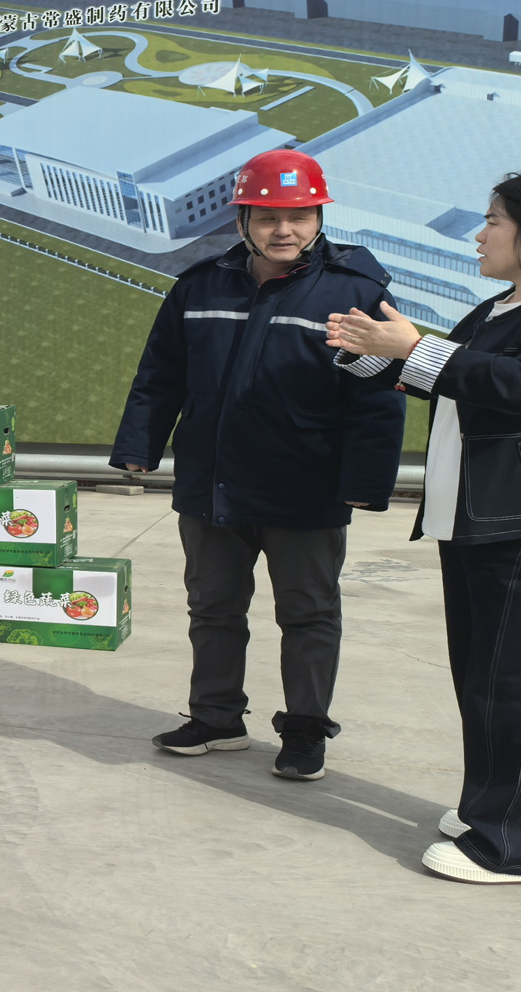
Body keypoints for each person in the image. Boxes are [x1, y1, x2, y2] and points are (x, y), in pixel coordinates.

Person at [328, 169, 521, 885]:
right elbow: (449, 375)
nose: (479, 233)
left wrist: (413, 349)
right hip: (484, 522)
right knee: (492, 680)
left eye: (494, 220)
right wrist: (372, 350)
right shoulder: (499, 309)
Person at [111, 149, 406, 780]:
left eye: (300, 216)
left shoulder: (356, 294)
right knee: (213, 608)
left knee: (308, 614)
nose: (285, 230)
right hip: (211, 484)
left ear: (319, 216)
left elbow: (377, 398)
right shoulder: (198, 287)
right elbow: (160, 376)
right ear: (243, 218)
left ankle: (305, 731)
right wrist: (139, 447)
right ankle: (216, 719)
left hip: (305, 487)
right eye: (269, 216)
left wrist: (365, 481)